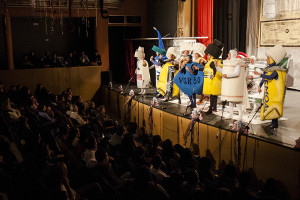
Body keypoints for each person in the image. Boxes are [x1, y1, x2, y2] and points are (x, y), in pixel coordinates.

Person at [254, 45, 287, 129]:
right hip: (269, 92)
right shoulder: (269, 68)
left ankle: (275, 123)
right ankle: (273, 122)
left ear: (272, 59)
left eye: (268, 58)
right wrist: (260, 85)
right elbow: (264, 77)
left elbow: (269, 77)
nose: (267, 60)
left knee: (274, 107)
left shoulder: (277, 70)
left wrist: (259, 74)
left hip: (275, 94)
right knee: (269, 106)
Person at [220, 49, 247, 121]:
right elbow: (223, 72)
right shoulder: (228, 62)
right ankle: (230, 113)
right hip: (230, 83)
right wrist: (217, 67)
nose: (228, 55)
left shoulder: (237, 62)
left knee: (237, 100)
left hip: (235, 84)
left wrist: (227, 75)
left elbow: (237, 73)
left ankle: (240, 115)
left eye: (229, 54)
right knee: (230, 100)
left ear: (232, 54)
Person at [203, 39, 224, 114]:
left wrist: (213, 75)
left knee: (212, 95)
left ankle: (211, 108)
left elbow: (214, 68)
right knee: (214, 95)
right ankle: (214, 108)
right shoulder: (216, 61)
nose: (207, 56)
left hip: (213, 80)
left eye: (208, 54)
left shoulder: (212, 62)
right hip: (215, 80)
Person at [150, 27, 168, 98]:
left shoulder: (163, 58)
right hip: (157, 72)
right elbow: (155, 64)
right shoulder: (156, 57)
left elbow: (157, 63)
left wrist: (151, 60)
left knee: (162, 83)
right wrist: (150, 67)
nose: (156, 52)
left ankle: (163, 93)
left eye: (157, 51)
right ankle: (159, 92)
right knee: (157, 83)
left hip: (162, 72)